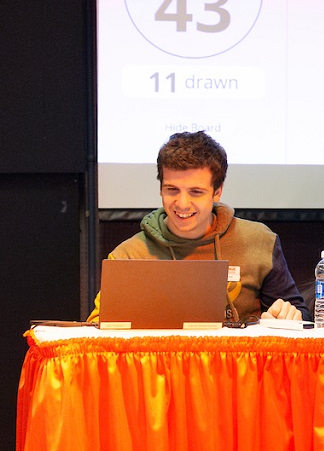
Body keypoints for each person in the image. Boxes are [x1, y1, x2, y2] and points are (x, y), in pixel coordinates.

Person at [87, 131, 309, 323]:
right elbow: (98, 327)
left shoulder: (258, 241)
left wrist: (289, 315)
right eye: (172, 190)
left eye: (196, 192)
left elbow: (300, 317)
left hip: (238, 369)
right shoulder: (129, 255)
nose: (182, 204)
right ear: (160, 188)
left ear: (217, 192)